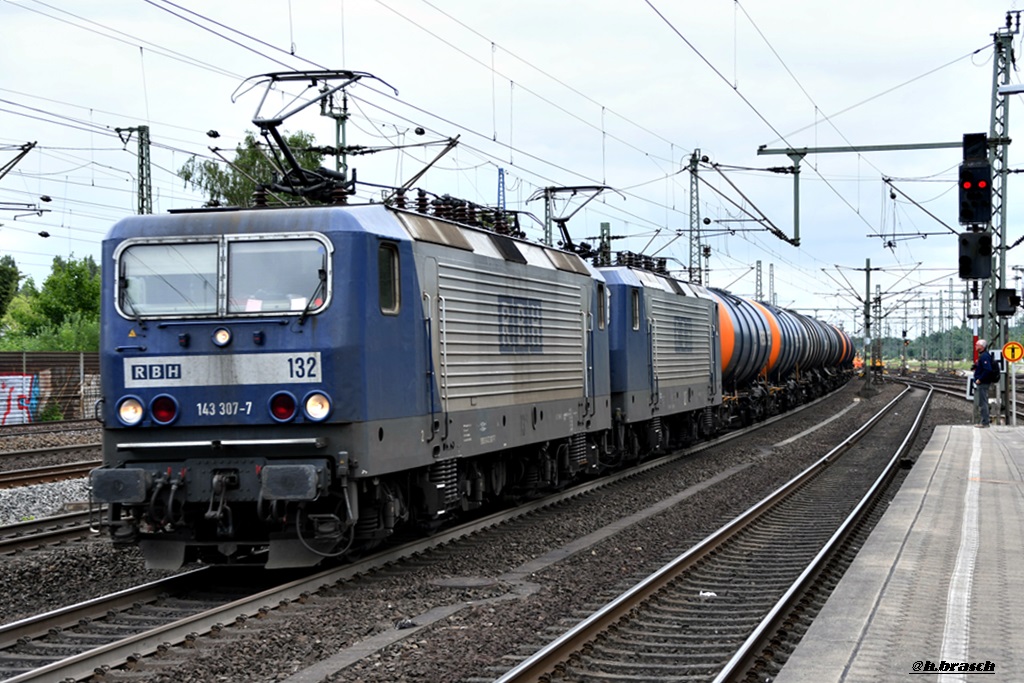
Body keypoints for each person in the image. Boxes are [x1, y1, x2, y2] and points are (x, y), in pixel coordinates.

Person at [973, 339, 994, 428]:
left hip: (983, 383)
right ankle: (984, 421)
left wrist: (980, 379)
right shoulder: (984, 355)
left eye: (977, 345)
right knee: (983, 401)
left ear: (981, 346)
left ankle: (985, 422)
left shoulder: (984, 356)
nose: (975, 346)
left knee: (983, 402)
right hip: (984, 382)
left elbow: (988, 369)